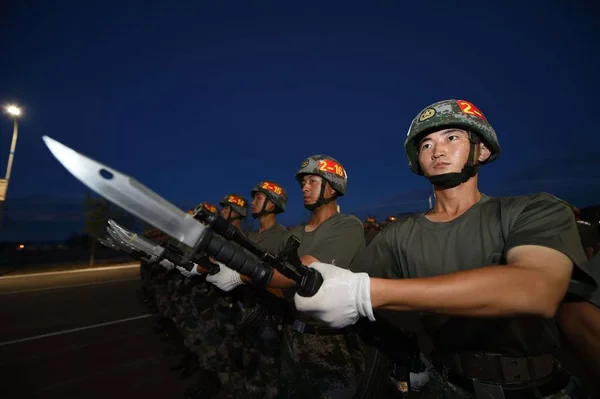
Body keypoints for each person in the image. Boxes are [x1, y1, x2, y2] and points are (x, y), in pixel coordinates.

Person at [294, 99, 597, 398]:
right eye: (426, 144)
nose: (437, 150)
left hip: (539, 387)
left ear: (482, 149)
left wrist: (366, 293)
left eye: (451, 138)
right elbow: (343, 290)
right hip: (445, 384)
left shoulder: (533, 209)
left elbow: (537, 288)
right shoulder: (398, 235)